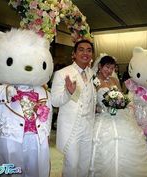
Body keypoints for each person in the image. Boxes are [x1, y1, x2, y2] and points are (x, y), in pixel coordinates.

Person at [89, 55, 147, 177]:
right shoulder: (94, 81)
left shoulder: (114, 80)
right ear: (100, 66)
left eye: (112, 68)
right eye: (107, 67)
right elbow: (92, 102)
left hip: (120, 117)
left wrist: (124, 103)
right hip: (104, 117)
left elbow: (121, 95)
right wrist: (101, 109)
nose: (109, 71)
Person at [51, 39, 96, 177]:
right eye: (81, 49)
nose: (85, 53)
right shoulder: (62, 73)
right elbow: (54, 101)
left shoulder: (91, 74)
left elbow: (91, 100)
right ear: (74, 54)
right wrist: (68, 93)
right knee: (71, 164)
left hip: (88, 127)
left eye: (89, 50)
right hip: (71, 127)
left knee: (85, 164)